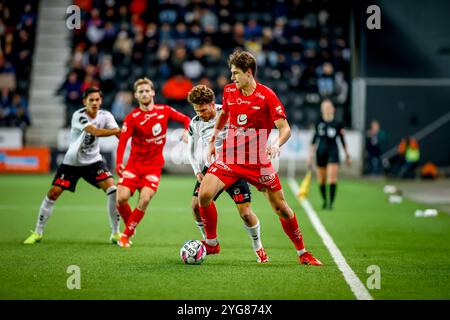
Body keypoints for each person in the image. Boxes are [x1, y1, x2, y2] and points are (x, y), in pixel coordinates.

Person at [198, 49, 322, 266]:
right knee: (204, 195)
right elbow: (225, 114)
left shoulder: (267, 95)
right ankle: (211, 243)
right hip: (229, 158)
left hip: (258, 163)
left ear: (249, 73)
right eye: (231, 73)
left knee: (281, 208)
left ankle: (303, 252)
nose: (232, 77)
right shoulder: (229, 91)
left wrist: (275, 144)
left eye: (236, 73)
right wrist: (212, 140)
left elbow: (285, 129)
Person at [24, 87, 122, 244]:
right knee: (53, 193)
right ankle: (38, 232)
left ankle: (115, 233)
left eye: (97, 100)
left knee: (113, 191)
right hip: (72, 163)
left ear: (101, 101)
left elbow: (118, 133)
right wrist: (118, 130)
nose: (95, 103)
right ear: (85, 102)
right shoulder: (79, 116)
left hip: (94, 162)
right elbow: (95, 131)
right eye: (91, 100)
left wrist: (125, 135)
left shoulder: (106, 115)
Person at [187, 84, 268, 263]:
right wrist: (197, 171)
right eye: (196, 110)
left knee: (246, 213)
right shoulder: (195, 123)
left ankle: (258, 247)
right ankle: (210, 241)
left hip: (235, 168)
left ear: (212, 103)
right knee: (195, 206)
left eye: (202, 110)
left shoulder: (228, 112)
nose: (200, 113)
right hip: (212, 170)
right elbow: (191, 150)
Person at [115, 77, 191, 247]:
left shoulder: (164, 110)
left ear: (153, 92)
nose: (144, 94)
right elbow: (122, 142)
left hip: (153, 167)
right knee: (121, 199)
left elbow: (186, 119)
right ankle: (131, 226)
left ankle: (126, 235)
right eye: (141, 91)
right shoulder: (132, 117)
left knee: (145, 199)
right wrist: (119, 162)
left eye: (147, 91)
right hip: (134, 166)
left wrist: (187, 132)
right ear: (136, 95)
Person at [308, 99, 351, 210]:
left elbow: (342, 140)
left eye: (328, 106)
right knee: (321, 180)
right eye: (324, 107)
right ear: (322, 110)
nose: (326, 109)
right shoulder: (318, 122)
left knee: (331, 178)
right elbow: (314, 140)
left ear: (333, 109)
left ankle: (330, 204)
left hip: (333, 151)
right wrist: (310, 156)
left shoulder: (338, 123)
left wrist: (347, 155)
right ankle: (325, 200)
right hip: (321, 151)